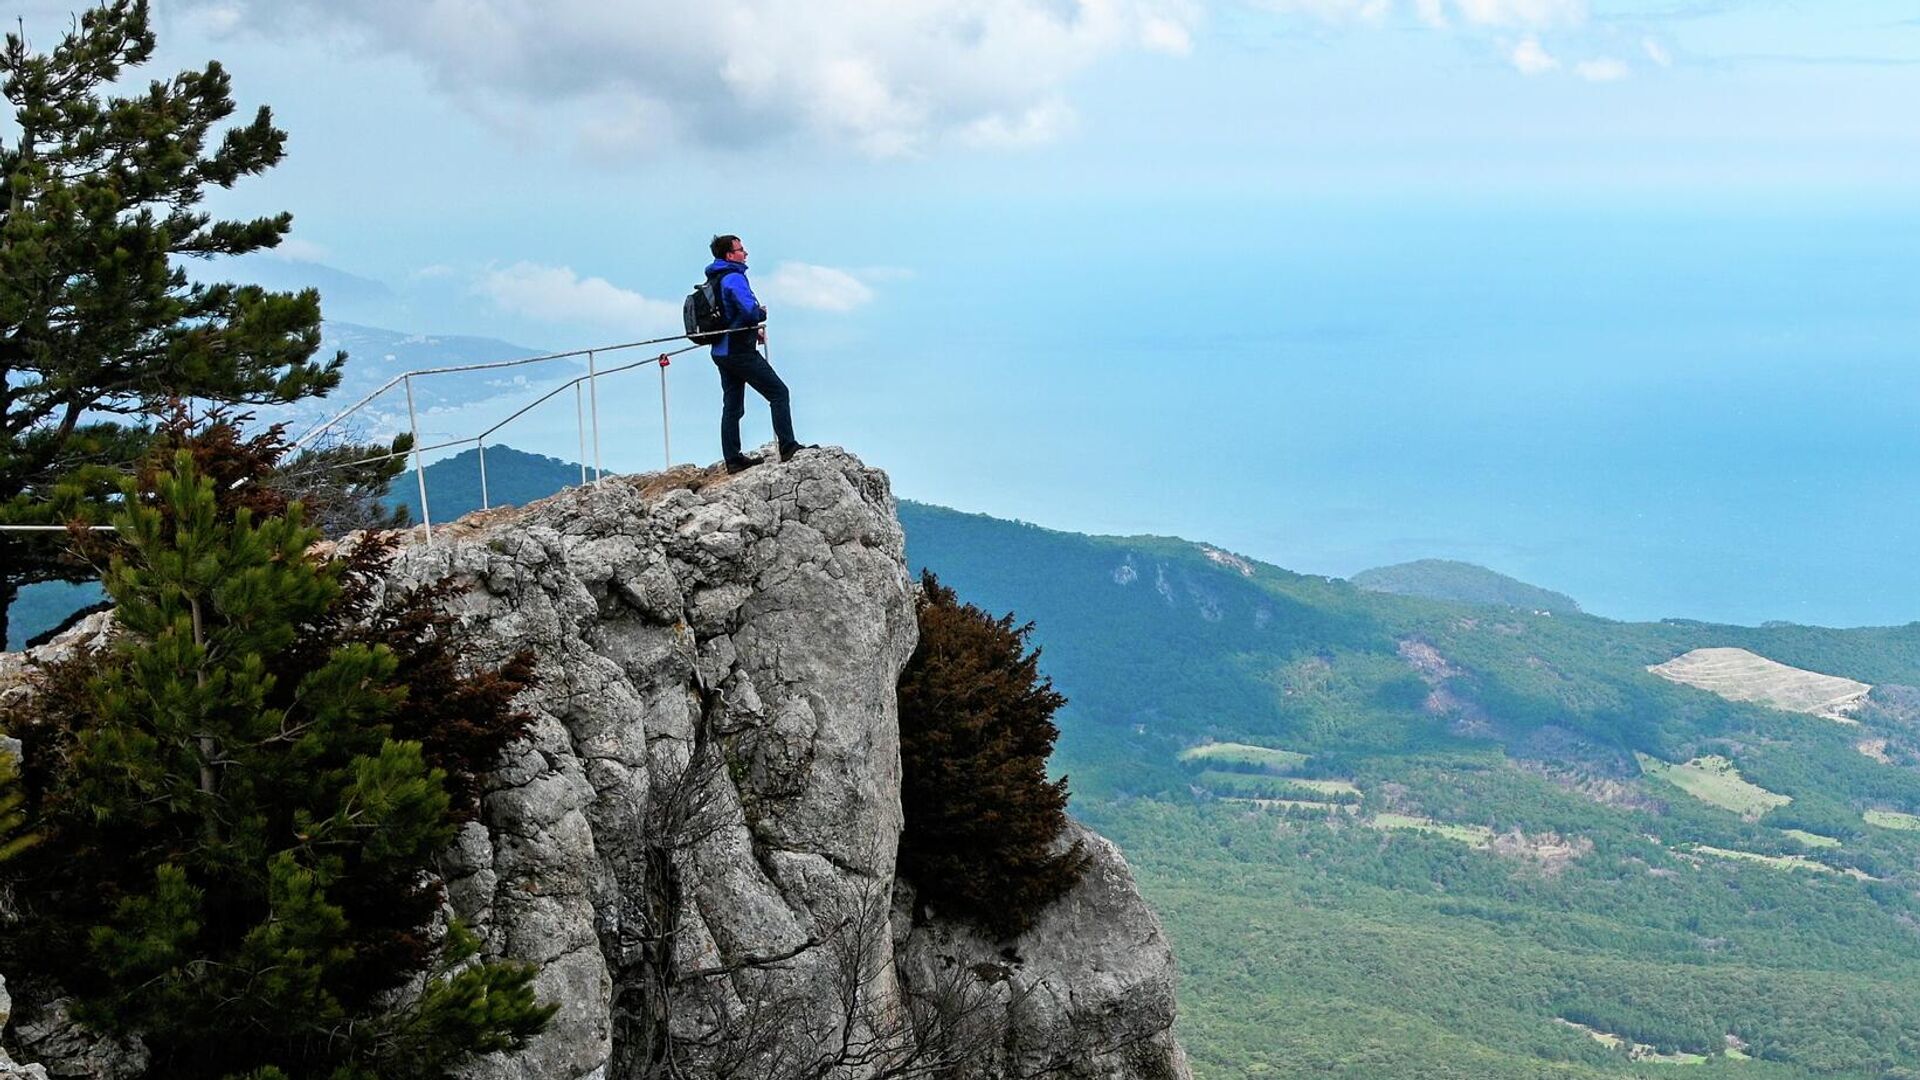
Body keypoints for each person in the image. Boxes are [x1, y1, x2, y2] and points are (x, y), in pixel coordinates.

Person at [705, 235, 812, 473]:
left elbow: (731, 314)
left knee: (732, 406)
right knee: (779, 392)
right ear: (729, 255)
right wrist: (760, 315)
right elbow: (748, 310)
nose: (745, 253)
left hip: (722, 349)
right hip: (739, 350)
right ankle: (788, 446)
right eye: (741, 250)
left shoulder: (715, 277)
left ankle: (733, 459)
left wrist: (752, 331)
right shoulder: (733, 278)